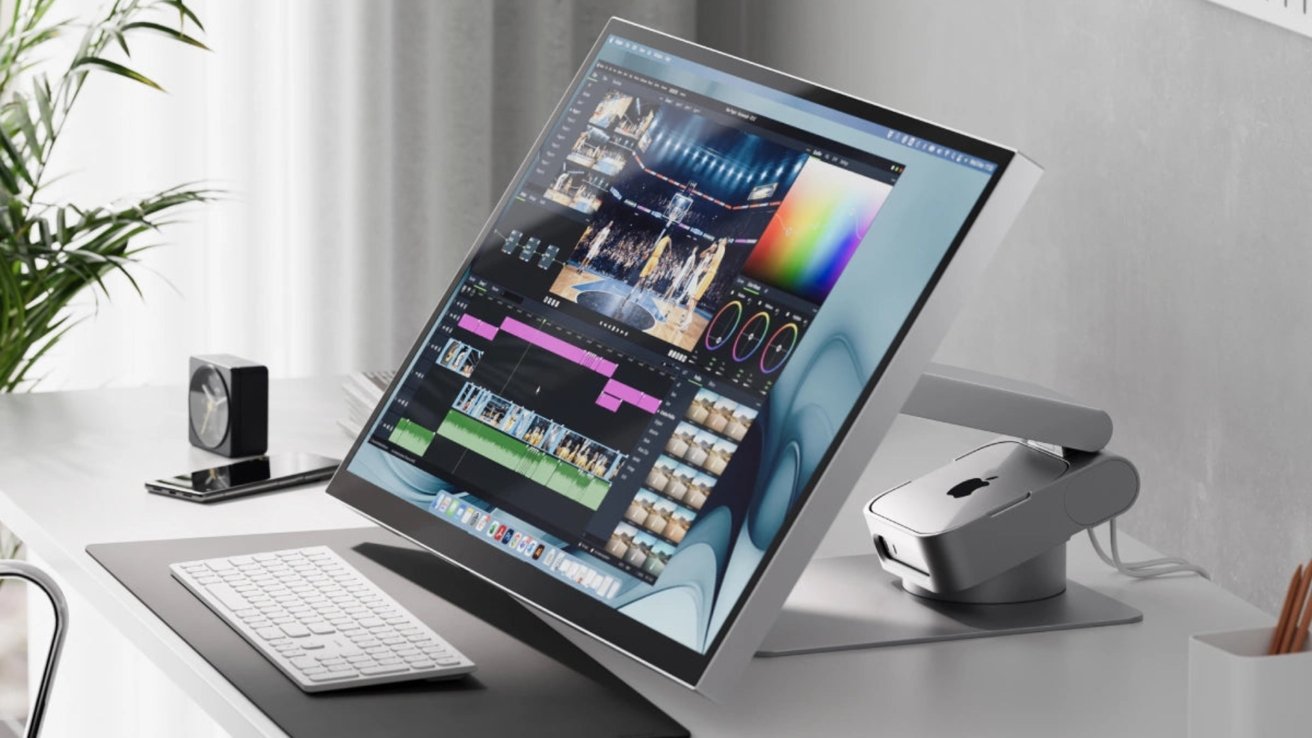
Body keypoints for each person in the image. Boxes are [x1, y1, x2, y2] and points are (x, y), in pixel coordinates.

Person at [681, 238, 726, 329]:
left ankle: (687, 319)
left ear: (716, 248)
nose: (713, 247)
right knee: (692, 300)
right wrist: (708, 248)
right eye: (712, 246)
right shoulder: (708, 254)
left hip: (701, 277)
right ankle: (685, 318)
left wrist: (704, 269)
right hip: (698, 277)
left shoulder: (714, 257)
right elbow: (701, 255)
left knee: (692, 300)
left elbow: (709, 268)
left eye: (714, 247)